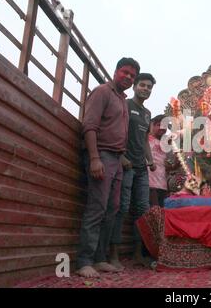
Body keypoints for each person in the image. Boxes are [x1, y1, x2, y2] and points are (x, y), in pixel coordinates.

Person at [76, 57, 140, 278]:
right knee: (97, 208)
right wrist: (94, 158)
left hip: (117, 160)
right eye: (125, 72)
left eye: (132, 76)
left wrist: (121, 159)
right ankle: (84, 260)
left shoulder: (122, 100)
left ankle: (100, 258)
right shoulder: (102, 92)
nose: (128, 77)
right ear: (115, 71)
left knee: (112, 210)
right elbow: (90, 126)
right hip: (101, 155)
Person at [109, 73, 157, 270]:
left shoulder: (147, 114)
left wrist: (151, 160)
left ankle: (138, 254)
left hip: (141, 168)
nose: (146, 89)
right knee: (122, 207)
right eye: (142, 85)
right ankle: (113, 255)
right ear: (135, 86)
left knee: (142, 210)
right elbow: (117, 130)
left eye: (149, 87)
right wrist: (121, 156)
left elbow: (145, 140)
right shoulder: (125, 105)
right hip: (125, 165)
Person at [148, 114, 168, 207]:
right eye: (159, 125)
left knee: (162, 211)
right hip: (150, 184)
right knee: (154, 211)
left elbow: (167, 166)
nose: (162, 128)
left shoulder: (165, 144)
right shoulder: (146, 139)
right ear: (153, 125)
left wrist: (177, 162)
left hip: (163, 185)